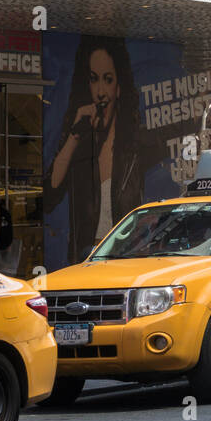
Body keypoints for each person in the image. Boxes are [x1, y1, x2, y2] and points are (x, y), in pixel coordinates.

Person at [47, 40, 146, 263]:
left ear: (119, 87)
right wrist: (74, 136)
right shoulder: (79, 142)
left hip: (124, 257)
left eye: (108, 80)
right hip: (86, 257)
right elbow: (51, 193)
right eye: (94, 79)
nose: (100, 91)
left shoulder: (133, 148)